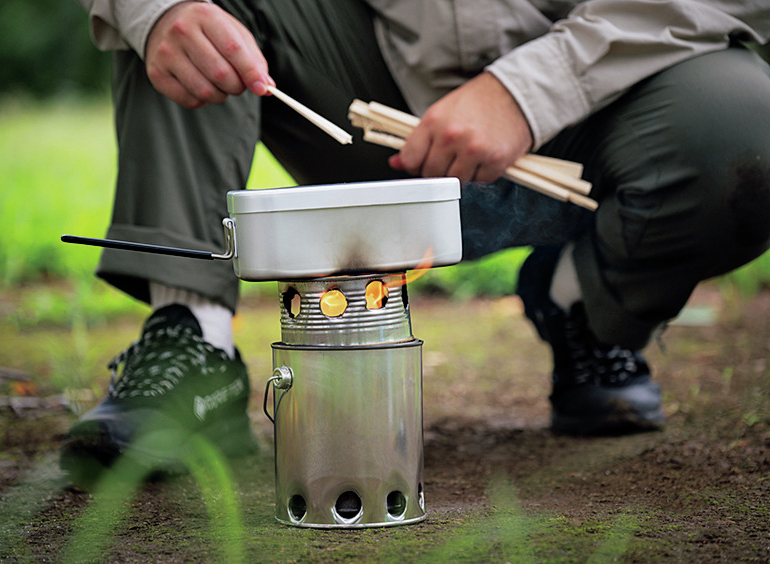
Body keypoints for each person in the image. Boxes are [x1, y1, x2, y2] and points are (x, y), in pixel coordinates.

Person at [60, 0, 770, 483]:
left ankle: (579, 301)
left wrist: (528, 90)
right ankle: (192, 338)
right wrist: (154, 10)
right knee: (189, 15)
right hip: (366, 111)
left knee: (751, 129)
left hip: (611, 97)